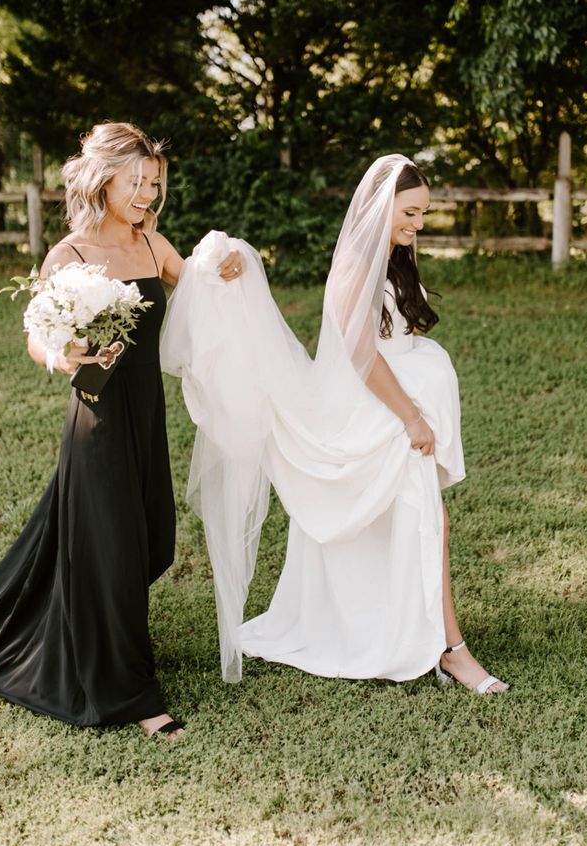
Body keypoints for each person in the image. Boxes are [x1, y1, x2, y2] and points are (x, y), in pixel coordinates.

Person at [162, 154, 507, 694]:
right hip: (377, 417)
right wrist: (413, 418)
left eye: (423, 215)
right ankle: (452, 651)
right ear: (383, 204)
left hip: (387, 410)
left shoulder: (391, 257)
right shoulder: (353, 265)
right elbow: (361, 354)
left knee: (418, 522)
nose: (417, 225)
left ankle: (405, 630)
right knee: (430, 520)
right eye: (410, 213)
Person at [0, 122, 242, 740]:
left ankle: (46, 621)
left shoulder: (153, 244)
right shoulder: (68, 256)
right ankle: (132, 693)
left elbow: (203, 284)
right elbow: (35, 336)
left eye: (154, 184)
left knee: (150, 540)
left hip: (147, 415)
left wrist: (228, 266)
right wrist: (61, 354)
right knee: (113, 550)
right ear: (104, 180)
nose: (148, 195)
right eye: (137, 182)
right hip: (96, 420)